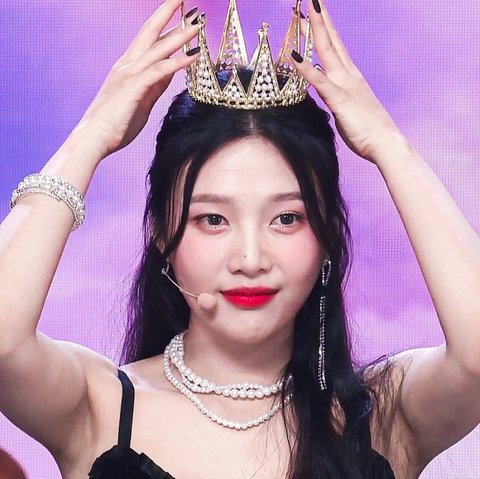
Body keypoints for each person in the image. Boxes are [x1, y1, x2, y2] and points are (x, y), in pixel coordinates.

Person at [0, 0, 479, 477]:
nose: (250, 259)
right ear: (161, 232)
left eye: (286, 218)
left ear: (329, 232)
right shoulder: (98, 406)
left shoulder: (382, 416)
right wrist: (94, 132)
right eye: (213, 219)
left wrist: (390, 145)